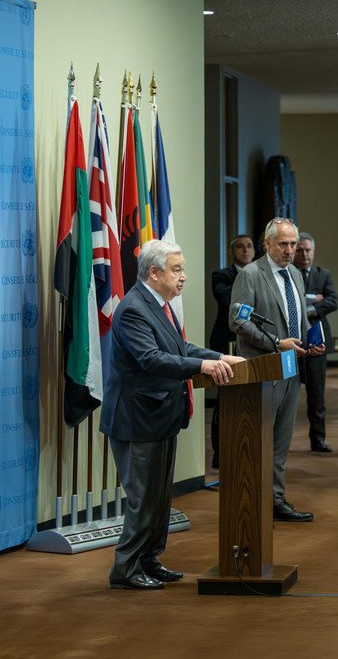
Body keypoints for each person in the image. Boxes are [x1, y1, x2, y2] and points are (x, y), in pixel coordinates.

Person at [101, 240, 244, 590]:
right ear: (154, 272)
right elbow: (151, 359)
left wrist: (218, 357)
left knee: (160, 498)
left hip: (159, 416)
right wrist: (202, 365)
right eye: (177, 270)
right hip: (136, 420)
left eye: (182, 269)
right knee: (143, 498)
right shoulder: (134, 309)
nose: (184, 277)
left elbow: (179, 349)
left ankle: (149, 560)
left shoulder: (160, 306)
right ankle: (126, 568)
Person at [230, 218, 326, 522]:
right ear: (267, 243)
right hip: (262, 368)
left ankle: (275, 499)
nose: (289, 250)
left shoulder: (295, 274)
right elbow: (238, 321)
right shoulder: (250, 275)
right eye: (283, 244)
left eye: (293, 244)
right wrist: (275, 342)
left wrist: (311, 340)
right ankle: (253, 501)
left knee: (282, 440)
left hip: (290, 366)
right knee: (259, 439)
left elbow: (299, 317)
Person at [208, 234, 256, 469]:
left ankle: (245, 450)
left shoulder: (261, 276)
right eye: (240, 247)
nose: (245, 250)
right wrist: (247, 280)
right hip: (225, 342)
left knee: (249, 399)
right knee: (224, 399)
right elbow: (228, 299)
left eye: (249, 246)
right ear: (232, 251)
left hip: (251, 343)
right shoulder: (222, 275)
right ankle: (219, 454)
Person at [293, 232, 338, 452]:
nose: (303, 254)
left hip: (317, 340)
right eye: (299, 250)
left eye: (307, 250)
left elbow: (332, 301)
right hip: (290, 341)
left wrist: (308, 307)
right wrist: (312, 298)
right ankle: (277, 438)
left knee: (317, 393)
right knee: (285, 392)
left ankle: (318, 438)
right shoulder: (287, 274)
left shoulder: (324, 274)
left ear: (314, 252)